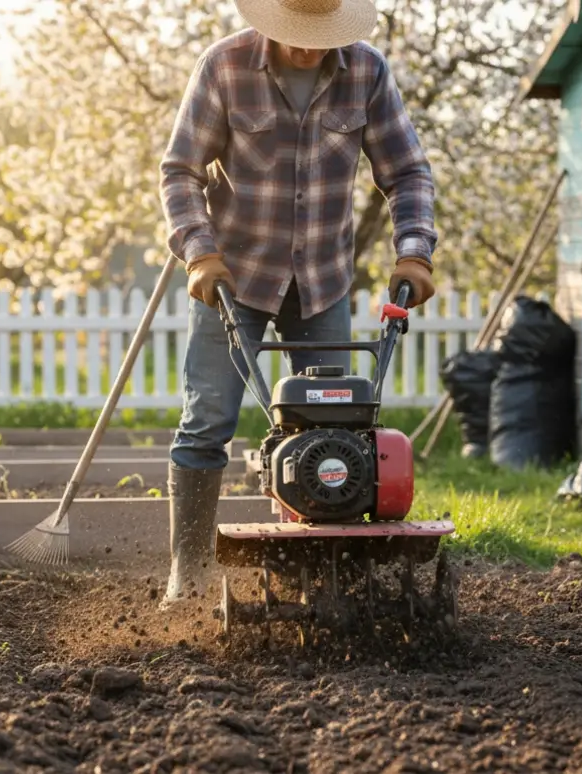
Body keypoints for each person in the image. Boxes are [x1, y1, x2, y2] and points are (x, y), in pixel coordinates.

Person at [157, 0, 439, 606]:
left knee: (331, 426)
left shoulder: (366, 72)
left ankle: (313, 574)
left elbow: (408, 172)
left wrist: (414, 251)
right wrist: (200, 251)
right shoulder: (225, 66)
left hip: (321, 280)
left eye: (320, 37)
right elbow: (180, 171)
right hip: (233, 280)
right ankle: (191, 571)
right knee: (208, 421)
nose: (309, 49)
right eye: (297, 37)